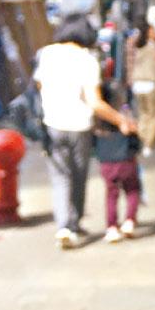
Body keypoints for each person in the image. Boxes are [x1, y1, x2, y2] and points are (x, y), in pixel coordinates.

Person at [34, 16, 135, 249]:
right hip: (79, 125)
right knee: (78, 175)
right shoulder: (86, 59)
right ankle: (74, 223)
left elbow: (39, 86)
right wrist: (120, 120)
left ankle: (64, 226)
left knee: (60, 177)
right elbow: (94, 101)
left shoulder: (46, 54)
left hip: (52, 124)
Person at [95, 78, 142, 242]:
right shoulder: (126, 117)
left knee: (111, 194)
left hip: (107, 161)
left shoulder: (99, 122)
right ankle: (129, 220)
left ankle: (112, 226)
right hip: (126, 158)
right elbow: (136, 140)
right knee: (133, 190)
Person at [128, 22, 155, 156]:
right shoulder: (153, 47)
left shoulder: (136, 46)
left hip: (137, 84)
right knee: (153, 115)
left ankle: (142, 140)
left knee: (143, 114)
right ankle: (149, 145)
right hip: (151, 84)